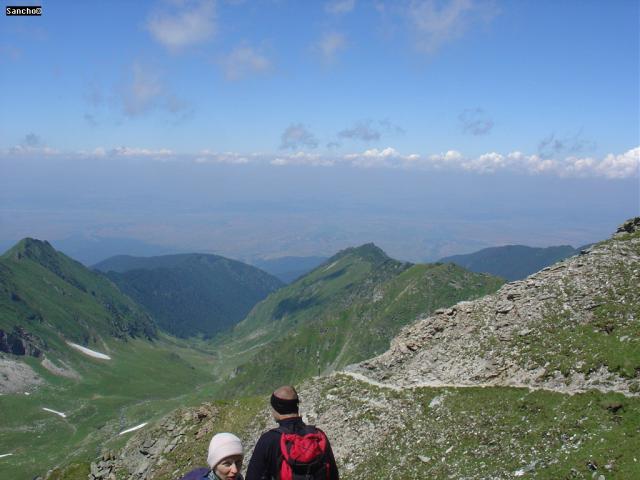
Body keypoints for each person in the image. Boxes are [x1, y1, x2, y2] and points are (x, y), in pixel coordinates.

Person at [246, 385, 339, 480]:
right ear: (296, 406)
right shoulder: (318, 436)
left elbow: (252, 476)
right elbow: (333, 474)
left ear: (276, 408)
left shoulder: (269, 440)